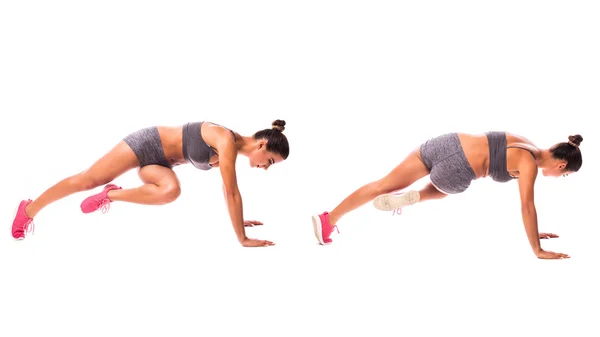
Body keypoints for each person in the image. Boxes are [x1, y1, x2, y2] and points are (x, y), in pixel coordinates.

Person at [12, 120, 290, 247]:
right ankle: (28, 209)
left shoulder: (228, 151)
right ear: (262, 144)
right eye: (270, 161)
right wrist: (241, 237)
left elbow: (230, 195)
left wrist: (240, 222)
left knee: (171, 191)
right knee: (88, 180)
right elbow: (230, 192)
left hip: (160, 166)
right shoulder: (226, 141)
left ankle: (111, 196)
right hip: (147, 143)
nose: (266, 167)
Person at [311, 131, 583, 259]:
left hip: (444, 143)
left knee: (383, 184)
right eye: (566, 174)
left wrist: (535, 232)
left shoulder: (526, 142)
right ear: (561, 165)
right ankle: (417, 196)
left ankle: (329, 219)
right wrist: (536, 248)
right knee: (446, 189)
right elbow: (527, 207)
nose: (562, 177)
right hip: (457, 169)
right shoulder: (529, 165)